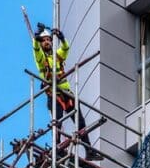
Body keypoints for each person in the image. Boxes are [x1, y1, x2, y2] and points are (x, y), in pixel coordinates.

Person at [32, 23, 101, 160]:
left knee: (80, 121)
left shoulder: (57, 56)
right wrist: (36, 37)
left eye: (48, 40)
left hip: (66, 93)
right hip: (54, 95)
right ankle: (56, 150)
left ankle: (89, 150)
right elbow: (36, 50)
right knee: (57, 123)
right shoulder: (41, 59)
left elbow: (65, 48)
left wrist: (62, 38)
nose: (46, 42)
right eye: (44, 40)